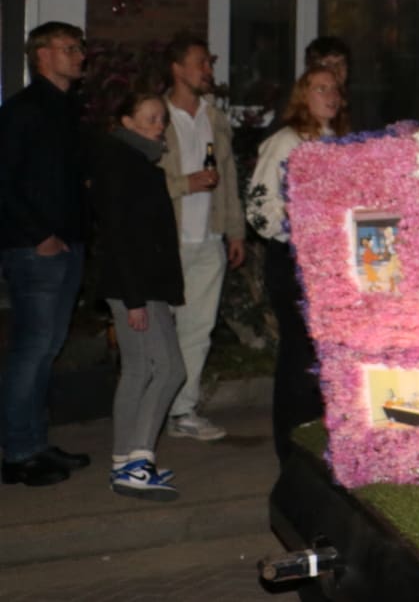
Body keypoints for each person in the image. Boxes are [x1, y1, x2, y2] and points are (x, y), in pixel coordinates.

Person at [0, 21, 94, 486]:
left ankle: (35, 443)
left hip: (68, 245)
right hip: (35, 249)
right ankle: (18, 452)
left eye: (80, 48)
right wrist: (39, 235)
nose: (80, 55)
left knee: (47, 349)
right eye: (69, 48)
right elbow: (3, 182)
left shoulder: (67, 110)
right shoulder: (23, 111)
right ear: (42, 56)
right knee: (32, 349)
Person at [93, 90, 187, 501]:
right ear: (127, 122)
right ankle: (138, 461)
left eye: (162, 118)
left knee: (136, 370)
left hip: (136, 285)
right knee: (169, 369)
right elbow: (119, 235)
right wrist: (135, 299)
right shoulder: (124, 165)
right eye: (150, 118)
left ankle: (123, 461)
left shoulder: (131, 162)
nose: (159, 125)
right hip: (137, 287)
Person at [249, 67, 343, 461]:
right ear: (303, 95)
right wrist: (298, 225)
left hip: (328, 263)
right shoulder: (285, 142)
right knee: (298, 354)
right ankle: (290, 446)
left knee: (322, 355)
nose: (330, 95)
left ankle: (319, 440)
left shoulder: (336, 141)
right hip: (292, 259)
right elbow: (258, 208)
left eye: (334, 88)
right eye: (320, 88)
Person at [159, 33, 245, 443]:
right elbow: (136, 182)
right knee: (160, 331)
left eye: (209, 63)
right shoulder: (156, 116)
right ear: (177, 69)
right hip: (166, 240)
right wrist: (184, 184)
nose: (208, 70)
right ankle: (151, 409)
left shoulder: (214, 117)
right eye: (201, 63)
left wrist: (235, 231)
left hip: (208, 239)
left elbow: (228, 178)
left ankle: (183, 410)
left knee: (197, 329)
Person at [303, 36, 352, 133]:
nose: (337, 70)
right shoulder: (300, 101)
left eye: (341, 63)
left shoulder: (358, 106)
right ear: (312, 68)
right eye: (329, 64)